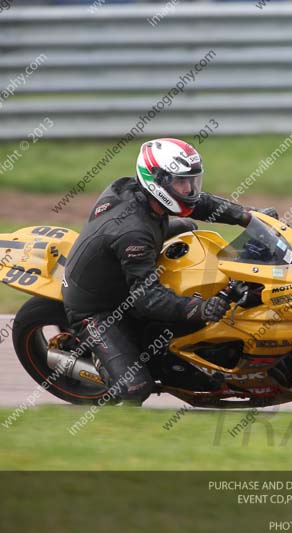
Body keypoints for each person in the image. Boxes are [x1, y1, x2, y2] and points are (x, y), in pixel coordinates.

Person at [62, 138, 276, 405]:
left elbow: (201, 204)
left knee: (188, 226)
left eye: (191, 181)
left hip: (128, 259)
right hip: (97, 307)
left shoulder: (144, 193)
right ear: (157, 181)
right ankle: (107, 366)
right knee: (135, 390)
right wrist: (201, 308)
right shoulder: (133, 235)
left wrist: (250, 217)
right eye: (181, 182)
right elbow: (147, 299)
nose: (189, 189)